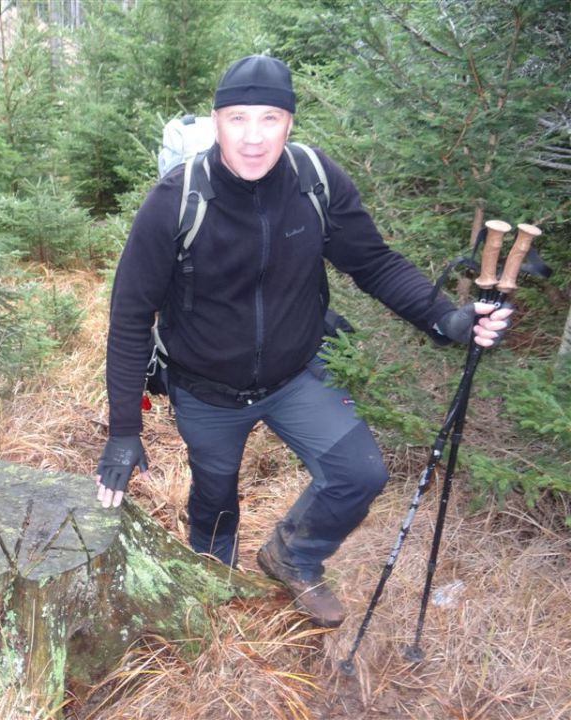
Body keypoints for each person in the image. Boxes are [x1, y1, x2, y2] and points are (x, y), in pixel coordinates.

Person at [94, 55, 512, 628]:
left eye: (270, 118)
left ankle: (293, 555)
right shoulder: (176, 200)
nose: (253, 137)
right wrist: (123, 431)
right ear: (216, 122)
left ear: (289, 123)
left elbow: (375, 264)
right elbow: (130, 316)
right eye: (238, 118)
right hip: (206, 390)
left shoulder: (315, 180)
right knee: (215, 502)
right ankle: (214, 592)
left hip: (296, 375)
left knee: (360, 474)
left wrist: (446, 319)